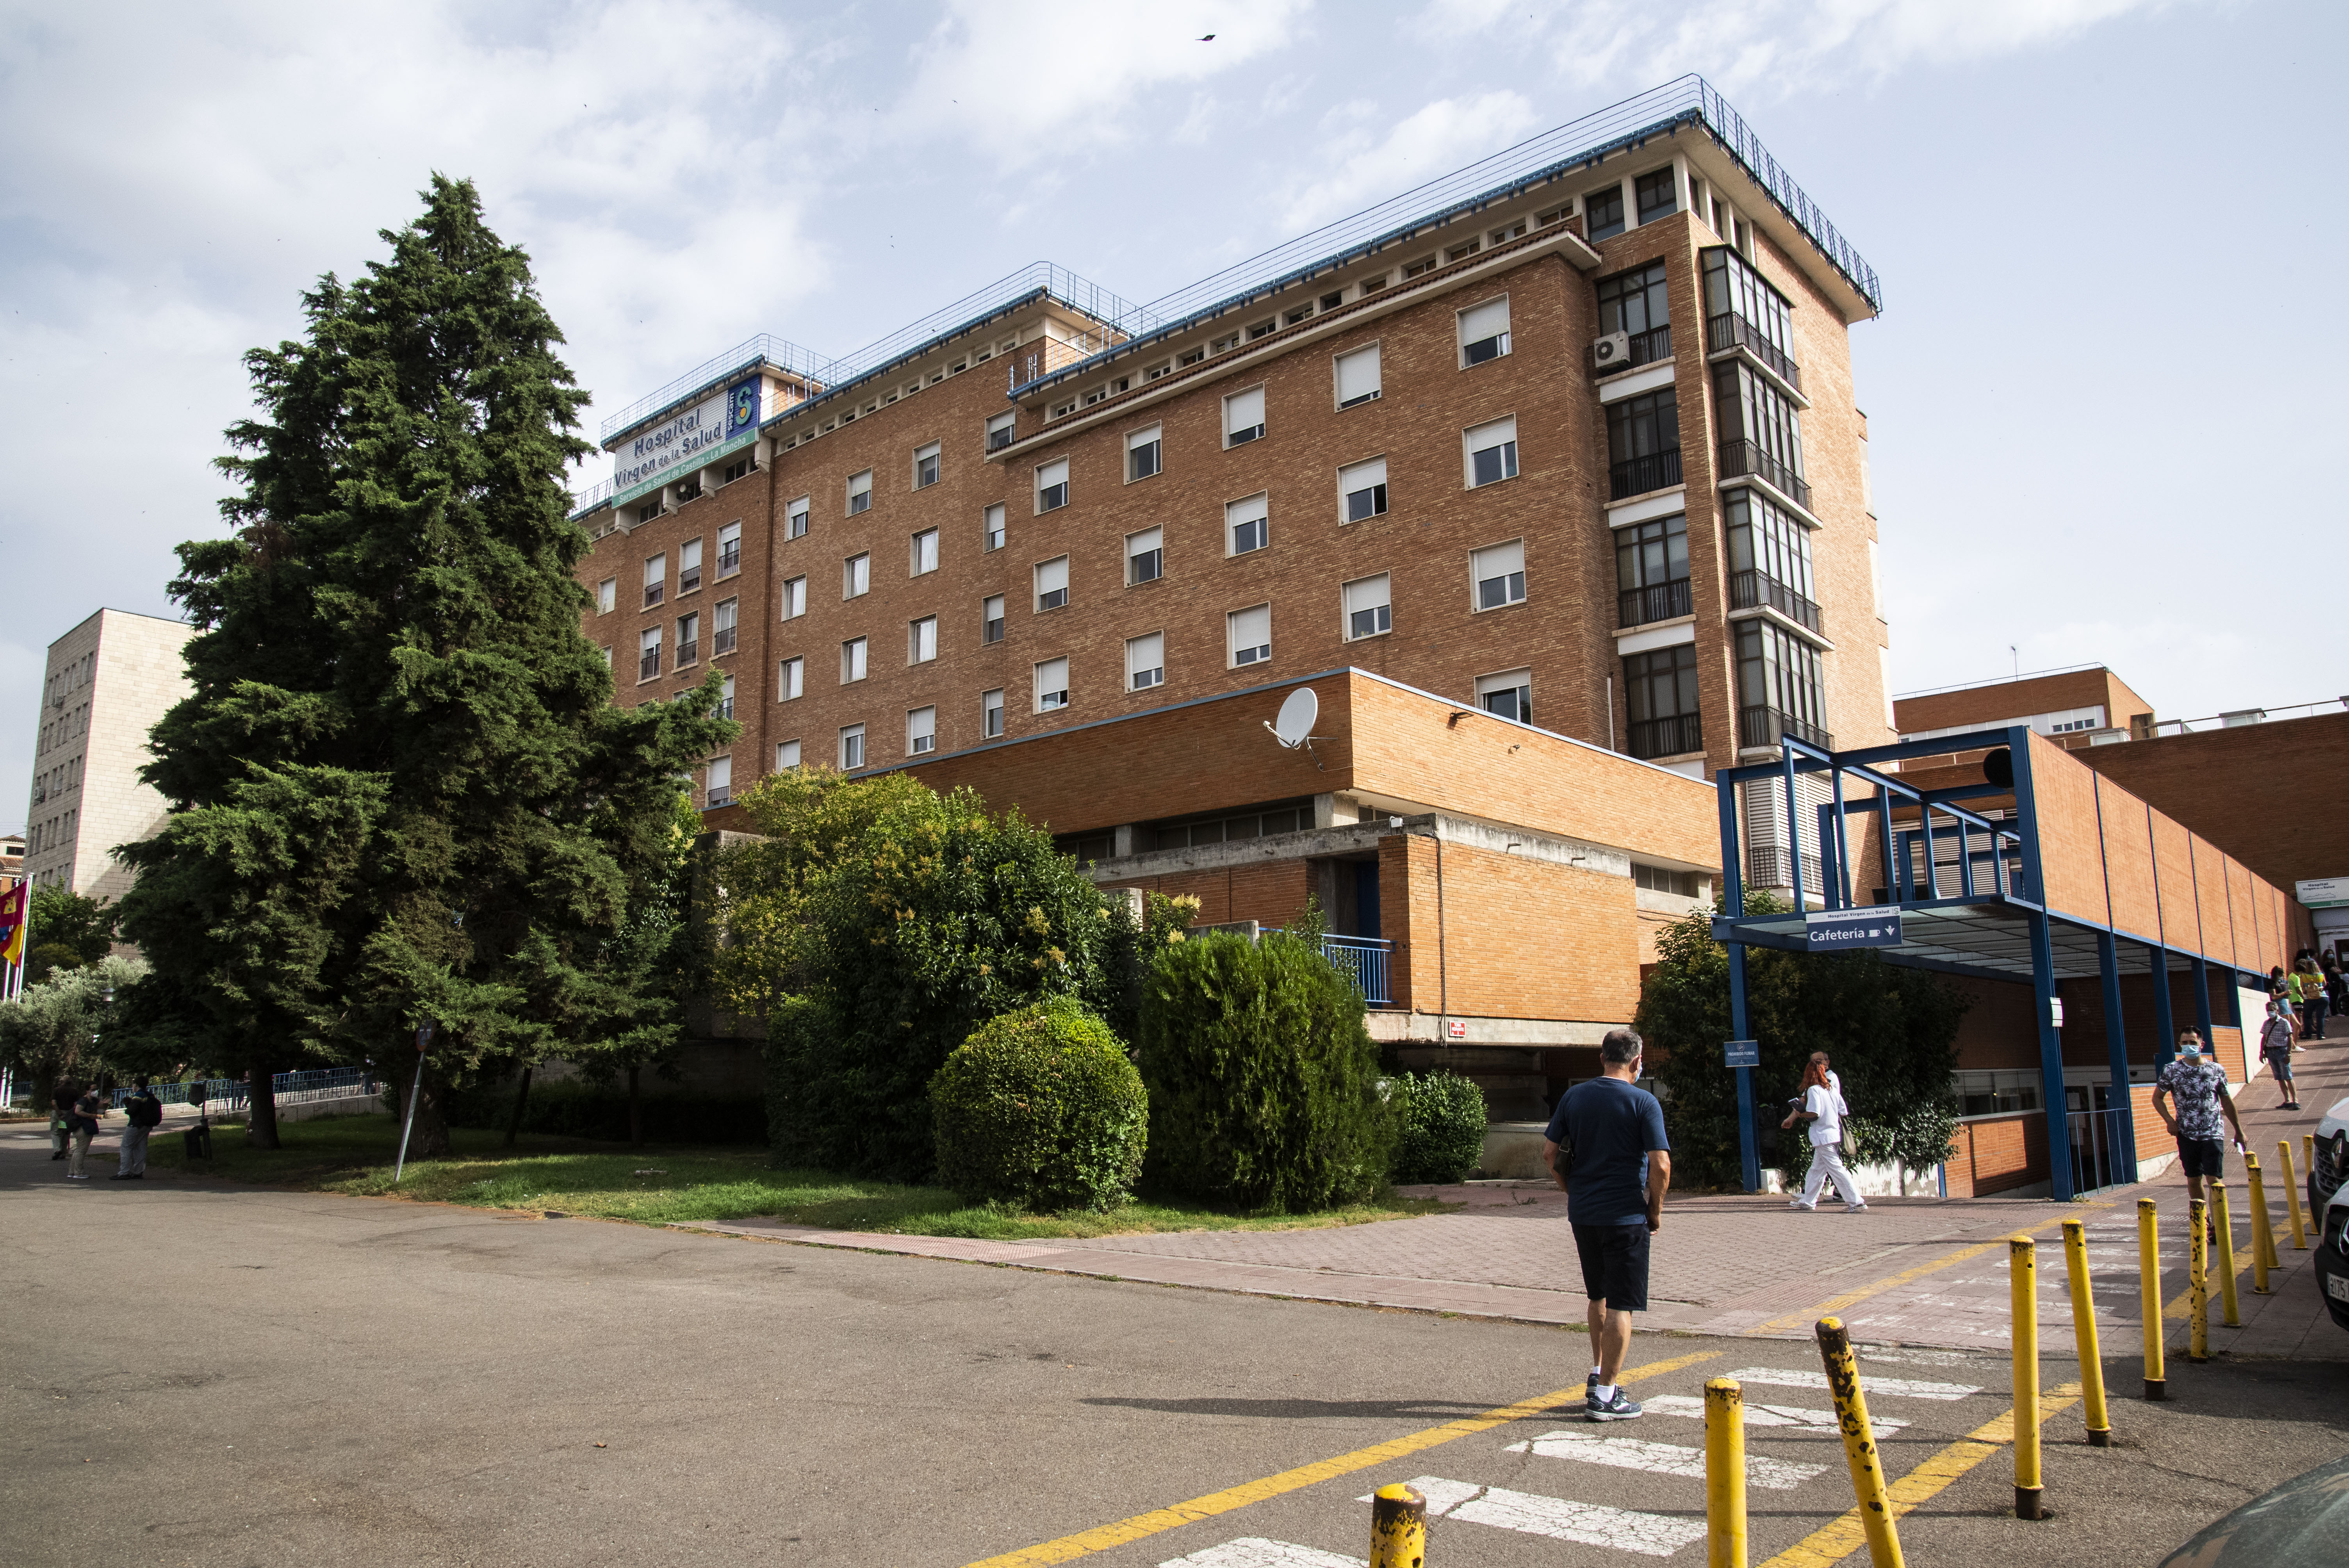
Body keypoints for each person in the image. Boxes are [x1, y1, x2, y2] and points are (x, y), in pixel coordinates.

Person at [1543, 1027, 1670, 1423]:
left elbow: (1549, 1153)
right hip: (1625, 1216)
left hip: (1584, 1214)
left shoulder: (1574, 1096)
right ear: (1636, 1062)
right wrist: (1655, 1210)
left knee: (1597, 1295)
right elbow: (1661, 1164)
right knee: (1621, 1303)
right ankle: (1606, 1395)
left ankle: (1598, 1371)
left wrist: (1571, 1189)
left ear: (1601, 1057)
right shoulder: (1644, 1102)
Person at [2153, 1030, 2246, 1229]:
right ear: (2180, 1044)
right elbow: (2157, 1098)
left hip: (2213, 1131)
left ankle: (2219, 1222)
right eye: (2185, 1042)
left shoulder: (2216, 1070)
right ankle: (2204, 1221)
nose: (2189, 1045)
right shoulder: (2171, 1070)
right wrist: (2170, 1121)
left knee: (2214, 1178)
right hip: (2186, 1133)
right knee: (2194, 1179)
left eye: (2193, 1042)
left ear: (2202, 1044)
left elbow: (2227, 1101)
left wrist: (2238, 1130)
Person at [1782, 1058, 1867, 1213]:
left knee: (1837, 1169)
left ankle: (1857, 1202)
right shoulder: (1832, 1090)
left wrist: (1801, 1113)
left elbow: (1815, 1113)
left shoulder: (1814, 1090)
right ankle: (1808, 1201)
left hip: (1822, 1136)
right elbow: (1843, 1111)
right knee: (1816, 1169)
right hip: (1834, 1134)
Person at [2257, 998, 2301, 1111]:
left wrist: (2289, 1054)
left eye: (2272, 1010)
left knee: (2288, 1076)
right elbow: (2264, 1038)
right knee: (2279, 1078)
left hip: (2282, 1051)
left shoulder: (2284, 1022)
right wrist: (2262, 1052)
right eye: (2268, 1010)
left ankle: (2295, 1100)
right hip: (2271, 1052)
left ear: (2277, 1011)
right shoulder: (2267, 1023)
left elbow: (2290, 1038)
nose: (2270, 1012)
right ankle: (2287, 1100)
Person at [114, 1078, 162, 1180]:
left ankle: (124, 1172)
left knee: (126, 1147)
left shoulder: (139, 1095)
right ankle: (138, 1172)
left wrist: (128, 1109)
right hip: (147, 1125)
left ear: (136, 1085)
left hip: (136, 1125)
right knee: (141, 1147)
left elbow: (133, 1110)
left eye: (133, 1085)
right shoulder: (149, 1095)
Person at [65, 1085, 104, 1181]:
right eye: (93, 1090)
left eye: (96, 1089)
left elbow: (101, 1111)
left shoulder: (94, 1101)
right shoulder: (83, 1100)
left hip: (87, 1127)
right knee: (81, 1151)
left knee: (79, 1150)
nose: (95, 1091)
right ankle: (79, 1172)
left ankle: (72, 1172)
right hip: (82, 1128)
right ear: (87, 1091)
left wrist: (104, 1105)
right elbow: (78, 1111)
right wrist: (92, 1116)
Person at [2294, 956, 2328, 1044]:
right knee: (2320, 1017)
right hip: (2322, 997)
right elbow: (2324, 984)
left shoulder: (2304, 976)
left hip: (2309, 998)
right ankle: (2320, 1035)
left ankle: (2308, 1034)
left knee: (2307, 1017)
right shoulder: (2321, 975)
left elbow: (2302, 987)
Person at [49, 1079, 78, 1160]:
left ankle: (58, 1150)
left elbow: (54, 1104)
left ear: (63, 1082)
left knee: (56, 1132)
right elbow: (76, 1105)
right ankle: (63, 1153)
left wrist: (60, 1114)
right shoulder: (74, 1091)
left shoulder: (57, 1090)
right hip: (68, 1114)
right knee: (65, 1132)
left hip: (58, 1114)